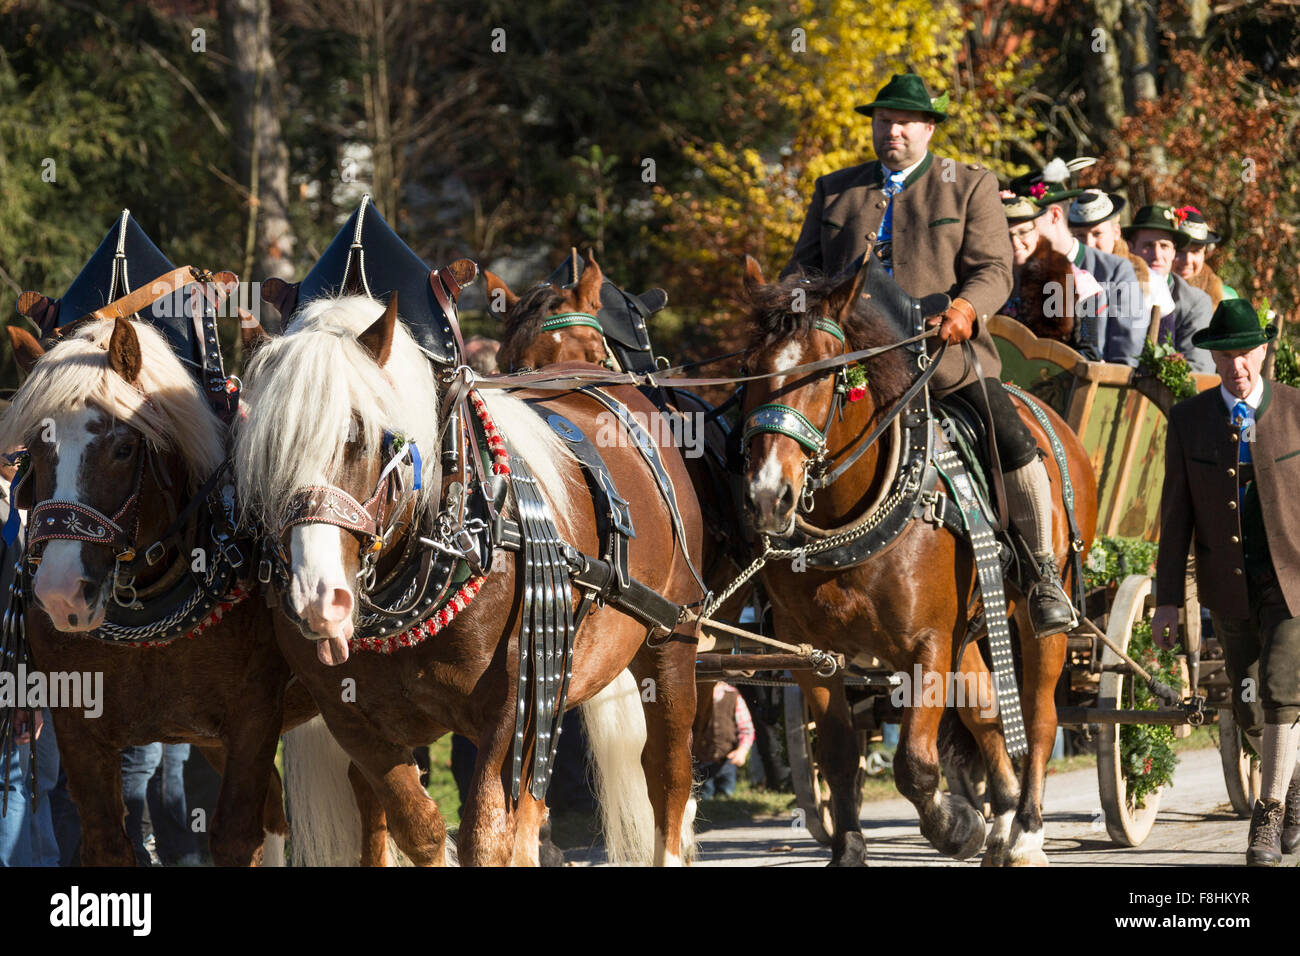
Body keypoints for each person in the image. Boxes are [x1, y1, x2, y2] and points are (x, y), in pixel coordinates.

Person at [783, 71, 1076, 635]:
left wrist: (966, 310)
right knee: (769, 424)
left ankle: (1042, 574)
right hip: (845, 364)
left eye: (902, 122)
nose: (891, 131)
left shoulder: (967, 184)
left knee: (1011, 435)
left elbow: (994, 270)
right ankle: (767, 566)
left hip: (938, 357)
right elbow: (802, 271)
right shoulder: (835, 189)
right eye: (882, 120)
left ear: (928, 128)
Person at [1151, 299, 1300, 865]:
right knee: (1249, 705)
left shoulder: (1295, 409)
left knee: (1283, 690)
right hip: (1229, 585)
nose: (1239, 365)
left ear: (1264, 350)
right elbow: (1175, 519)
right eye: (1228, 355)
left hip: (1293, 582)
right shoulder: (1189, 421)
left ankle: (1266, 822)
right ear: (1214, 358)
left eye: (1248, 352)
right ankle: (1292, 780)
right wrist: (1168, 602)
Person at [1068, 190, 1168, 364]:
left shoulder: (1147, 279)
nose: (1089, 243)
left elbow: (1127, 350)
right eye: (1080, 235)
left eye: (1097, 234)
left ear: (1116, 232)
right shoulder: (1062, 271)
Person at [999, 193, 1103, 359]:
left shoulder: (1076, 280)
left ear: (1036, 231)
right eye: (1007, 235)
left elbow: (1089, 352)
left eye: (1023, 232)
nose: (1015, 242)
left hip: (1055, 373)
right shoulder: (991, 277)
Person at [1123, 204, 1214, 372]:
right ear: (1131, 248)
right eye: (1148, 246)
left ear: (1173, 252)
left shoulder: (1194, 302)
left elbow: (1199, 370)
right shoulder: (1113, 286)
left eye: (1164, 246)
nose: (1157, 255)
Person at [693, 681, 754, 798]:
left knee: (726, 795)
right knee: (704, 797)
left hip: (727, 761)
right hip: (701, 762)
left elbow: (746, 729)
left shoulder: (733, 695)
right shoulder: (696, 694)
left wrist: (742, 751)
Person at [1174, 206, 1238, 311]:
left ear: (1205, 253)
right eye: (1180, 251)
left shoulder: (1225, 299)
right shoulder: (1146, 288)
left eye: (1195, 251)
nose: (1187, 260)